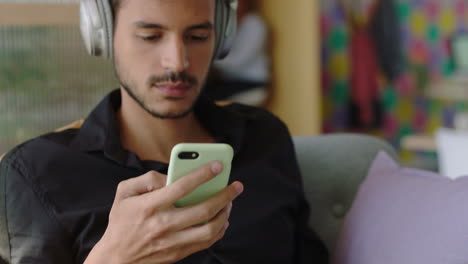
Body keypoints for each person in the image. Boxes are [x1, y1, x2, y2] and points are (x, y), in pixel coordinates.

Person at [0, 0, 329, 263]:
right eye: (150, 36)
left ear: (222, 35)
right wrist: (112, 258)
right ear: (102, 34)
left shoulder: (264, 137)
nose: (177, 63)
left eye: (197, 36)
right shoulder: (34, 173)